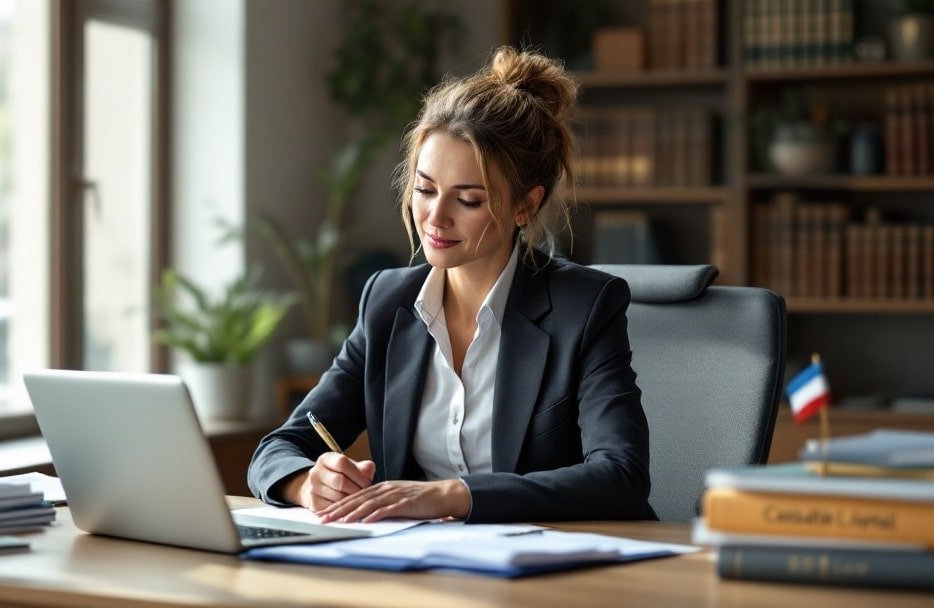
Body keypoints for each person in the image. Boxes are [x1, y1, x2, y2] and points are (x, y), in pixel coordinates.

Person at [247, 46, 654, 524]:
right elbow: (278, 448)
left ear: (525, 206)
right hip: (423, 568)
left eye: (467, 199)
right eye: (424, 189)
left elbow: (621, 476)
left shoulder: (584, 307)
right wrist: (306, 482)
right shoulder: (388, 302)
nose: (435, 217)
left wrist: (454, 495)